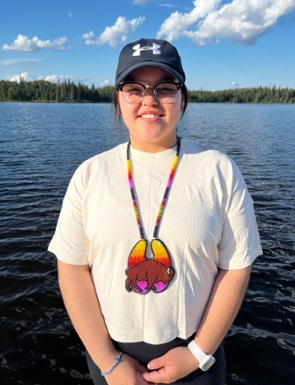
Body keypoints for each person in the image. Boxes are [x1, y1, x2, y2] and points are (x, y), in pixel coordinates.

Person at [48, 38, 263, 385]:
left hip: (196, 356)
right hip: (112, 359)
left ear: (182, 99)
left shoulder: (218, 171)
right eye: (134, 88)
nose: (149, 100)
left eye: (164, 88)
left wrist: (197, 352)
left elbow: (236, 265)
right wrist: (108, 362)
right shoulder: (90, 174)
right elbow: (72, 268)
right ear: (118, 100)